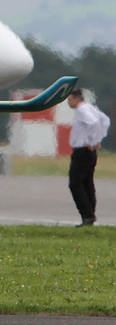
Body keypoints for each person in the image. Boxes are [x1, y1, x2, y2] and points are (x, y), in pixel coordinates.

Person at [67, 89, 109, 227]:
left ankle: (87, 215)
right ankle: (89, 214)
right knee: (87, 183)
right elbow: (105, 121)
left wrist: (91, 140)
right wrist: (98, 138)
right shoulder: (91, 108)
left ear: (76, 98)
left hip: (82, 151)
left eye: (70, 99)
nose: (68, 102)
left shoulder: (82, 110)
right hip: (89, 152)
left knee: (75, 183)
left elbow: (94, 123)